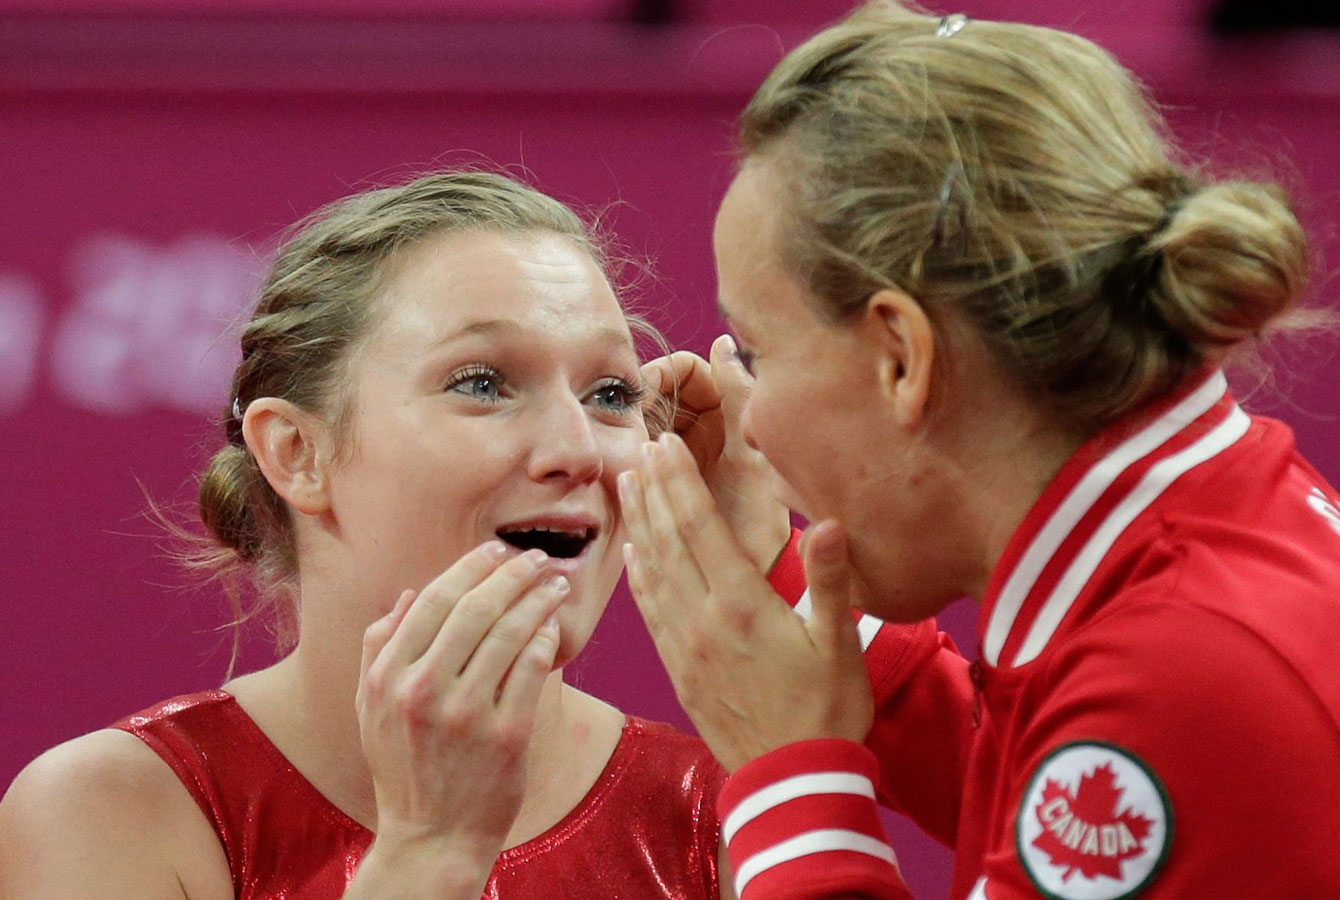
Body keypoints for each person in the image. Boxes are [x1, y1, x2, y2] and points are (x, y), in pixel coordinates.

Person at [617, 3, 1340, 899]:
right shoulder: (1204, 530)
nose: (750, 425)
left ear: (903, 358)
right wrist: (782, 582)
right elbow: (1051, 785)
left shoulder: (1183, 680)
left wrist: (788, 769)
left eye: (757, 355)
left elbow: (1134, 743)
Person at [0, 170, 780, 900]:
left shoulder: (734, 816)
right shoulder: (109, 811)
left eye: (610, 394)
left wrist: (772, 589)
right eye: (483, 384)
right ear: (297, 454)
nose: (577, 451)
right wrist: (428, 853)